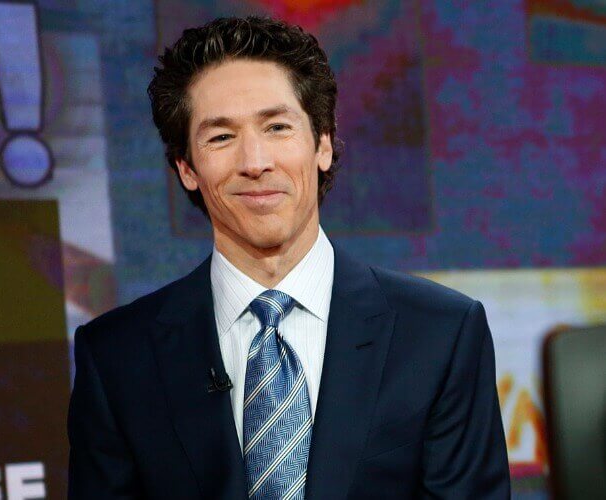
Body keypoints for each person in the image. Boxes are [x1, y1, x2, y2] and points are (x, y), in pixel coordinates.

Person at [67, 16, 510, 499]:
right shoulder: (117, 358)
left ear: (323, 144)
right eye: (221, 137)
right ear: (187, 168)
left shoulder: (440, 333)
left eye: (277, 127)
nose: (255, 162)